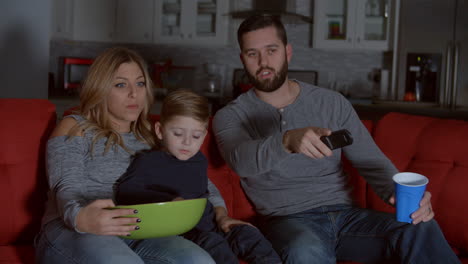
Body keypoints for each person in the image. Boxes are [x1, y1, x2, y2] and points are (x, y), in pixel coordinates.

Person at [213, 14, 460, 263]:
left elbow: (371, 161)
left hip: (348, 218)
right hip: (287, 222)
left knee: (420, 227)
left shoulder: (331, 103)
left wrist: (406, 196)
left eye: (271, 50)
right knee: (304, 249)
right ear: (242, 59)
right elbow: (239, 161)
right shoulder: (230, 116)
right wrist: (286, 141)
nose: (263, 62)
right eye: (252, 53)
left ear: (288, 52)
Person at [34, 47, 218, 264]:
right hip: (73, 229)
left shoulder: (153, 134)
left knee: (199, 261)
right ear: (100, 88)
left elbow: (197, 178)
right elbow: (66, 188)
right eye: (121, 84)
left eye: (140, 83)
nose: (134, 93)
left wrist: (221, 213)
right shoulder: (75, 127)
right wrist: (80, 217)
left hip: (136, 229)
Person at [114, 89, 282, 264]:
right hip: (186, 233)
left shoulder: (199, 161)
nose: (187, 142)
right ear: (160, 131)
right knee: (215, 245)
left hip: (212, 226)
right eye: (178, 134)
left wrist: (221, 217)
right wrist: (168, 200)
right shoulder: (148, 161)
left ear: (203, 136)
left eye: (196, 136)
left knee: (249, 235)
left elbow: (203, 195)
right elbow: (126, 192)